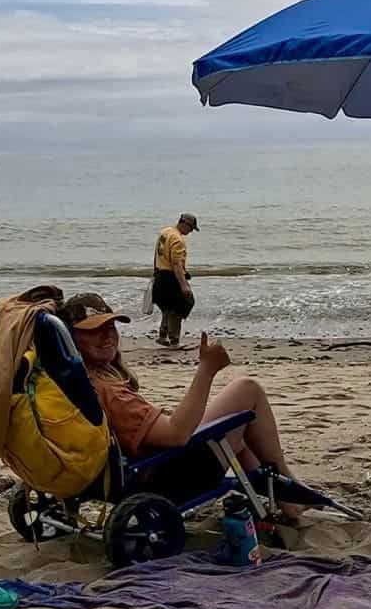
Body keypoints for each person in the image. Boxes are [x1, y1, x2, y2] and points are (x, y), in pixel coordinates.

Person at [59, 292, 299, 516]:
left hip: (131, 476)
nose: (107, 335)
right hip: (166, 482)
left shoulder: (71, 382)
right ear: (70, 338)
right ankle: (290, 494)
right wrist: (207, 369)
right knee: (247, 390)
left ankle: (282, 495)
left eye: (110, 326)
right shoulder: (109, 393)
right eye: (94, 330)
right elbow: (176, 434)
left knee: (238, 428)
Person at [151, 212, 198, 347]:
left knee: (166, 307)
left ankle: (162, 335)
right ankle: (174, 341)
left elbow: (156, 254)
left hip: (160, 274)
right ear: (185, 224)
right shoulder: (178, 240)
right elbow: (176, 264)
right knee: (180, 307)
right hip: (171, 277)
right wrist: (184, 285)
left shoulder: (165, 232)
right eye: (191, 228)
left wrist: (155, 271)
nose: (190, 232)